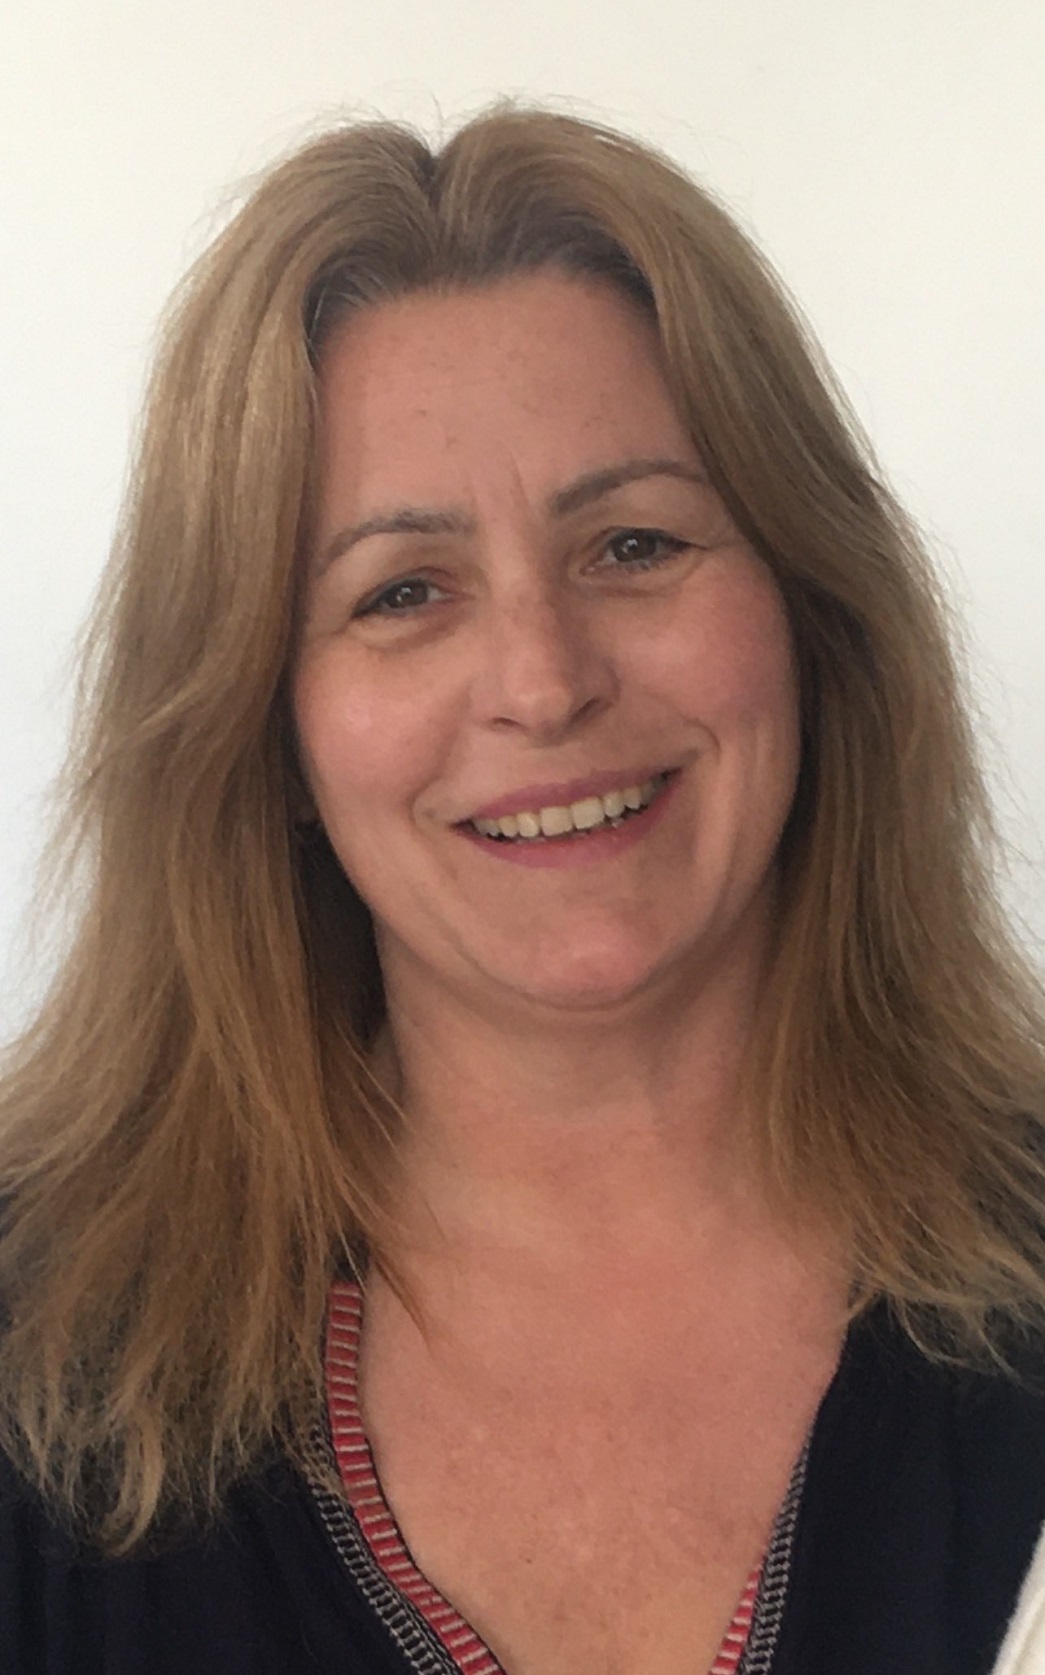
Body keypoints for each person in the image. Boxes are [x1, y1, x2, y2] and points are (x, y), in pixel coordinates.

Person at [1, 103, 1044, 1675]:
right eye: (400, 592)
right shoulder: (33, 1333)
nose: (544, 683)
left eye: (634, 544)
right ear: (259, 724)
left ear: (814, 618)